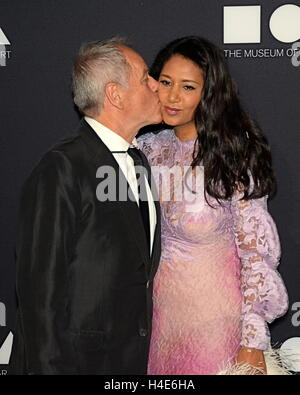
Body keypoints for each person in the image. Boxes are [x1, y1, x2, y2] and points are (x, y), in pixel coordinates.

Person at [9, 38, 162, 375]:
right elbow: (40, 296)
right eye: (145, 77)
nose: (156, 84)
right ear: (115, 94)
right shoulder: (62, 167)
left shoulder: (137, 162)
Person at [138, 36, 288, 375]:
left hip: (215, 325)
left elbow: (256, 255)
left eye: (188, 87)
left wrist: (251, 341)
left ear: (208, 93)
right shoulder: (144, 150)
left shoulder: (233, 156)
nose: (173, 96)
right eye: (165, 82)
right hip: (154, 324)